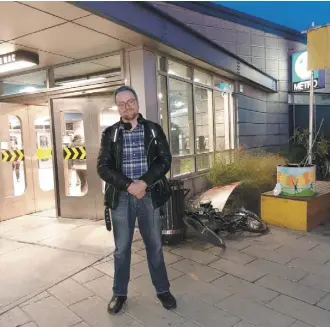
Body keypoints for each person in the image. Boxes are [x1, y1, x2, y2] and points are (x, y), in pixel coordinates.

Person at [97, 86, 176, 314]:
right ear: (117, 107)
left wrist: (144, 183)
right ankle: (119, 293)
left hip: (148, 196)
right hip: (121, 198)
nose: (126, 106)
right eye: (121, 104)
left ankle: (162, 289)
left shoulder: (152, 130)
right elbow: (103, 167)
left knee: (155, 246)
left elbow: (165, 160)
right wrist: (129, 186)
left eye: (130, 101)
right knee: (122, 249)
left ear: (137, 103)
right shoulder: (110, 133)